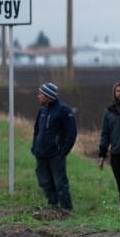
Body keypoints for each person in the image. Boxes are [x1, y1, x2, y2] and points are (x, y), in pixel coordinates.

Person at [31, 82, 77, 211]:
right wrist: (35, 147)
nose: (38, 96)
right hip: (41, 153)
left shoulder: (64, 110)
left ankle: (67, 209)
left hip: (56, 154)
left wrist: (63, 151)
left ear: (48, 96)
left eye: (41, 94)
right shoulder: (42, 110)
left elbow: (71, 133)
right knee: (45, 182)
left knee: (60, 183)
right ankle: (53, 206)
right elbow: (36, 130)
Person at [99, 82, 120, 216]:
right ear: (114, 93)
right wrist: (102, 155)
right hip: (116, 154)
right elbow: (105, 134)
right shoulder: (109, 112)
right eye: (118, 91)